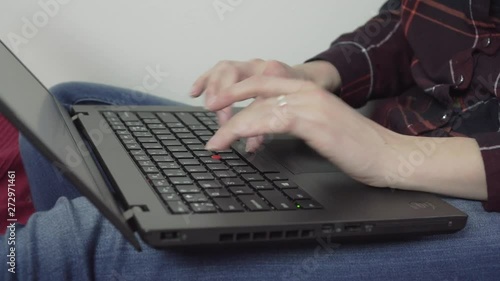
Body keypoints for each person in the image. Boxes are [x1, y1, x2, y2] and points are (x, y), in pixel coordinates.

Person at [2, 0, 500, 280]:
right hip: (385, 141)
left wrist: (393, 156)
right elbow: (405, 23)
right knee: (73, 112)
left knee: (92, 241)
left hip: (472, 191)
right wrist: (309, 75)